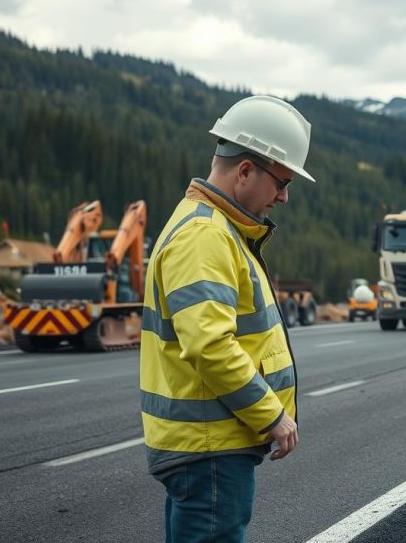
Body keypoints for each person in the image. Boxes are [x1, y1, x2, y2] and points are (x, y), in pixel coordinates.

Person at [140, 95, 315, 542]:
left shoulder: (214, 229)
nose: (284, 196)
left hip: (207, 446)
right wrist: (271, 415)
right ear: (244, 171)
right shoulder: (205, 236)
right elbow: (210, 344)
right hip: (210, 447)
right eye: (281, 181)